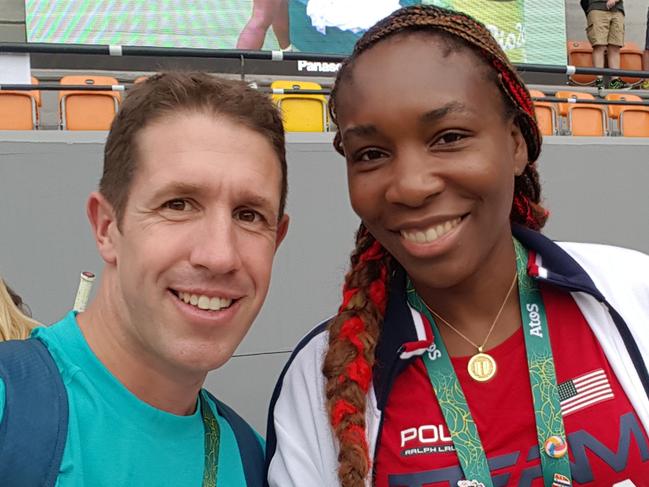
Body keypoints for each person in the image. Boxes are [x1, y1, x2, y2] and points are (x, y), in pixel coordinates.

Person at [265, 6, 649, 486]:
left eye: (448, 137)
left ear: (515, 144)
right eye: (372, 154)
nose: (410, 185)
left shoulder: (633, 294)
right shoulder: (322, 377)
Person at [0, 72, 289, 486]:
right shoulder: (11, 410)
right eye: (178, 204)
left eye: (249, 215)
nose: (219, 255)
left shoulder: (254, 464)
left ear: (276, 241)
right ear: (106, 228)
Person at [583, 0, 626, 90]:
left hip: (617, 10)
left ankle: (615, 82)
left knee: (615, 46)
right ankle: (599, 81)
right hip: (597, 8)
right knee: (599, 46)